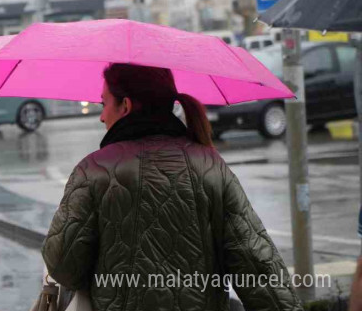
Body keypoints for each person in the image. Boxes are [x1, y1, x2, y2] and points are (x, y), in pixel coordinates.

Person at [42, 63, 302, 311]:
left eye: (104, 103)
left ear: (125, 105)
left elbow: (63, 265)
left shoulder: (93, 171)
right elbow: (255, 263)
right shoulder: (210, 166)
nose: (101, 116)